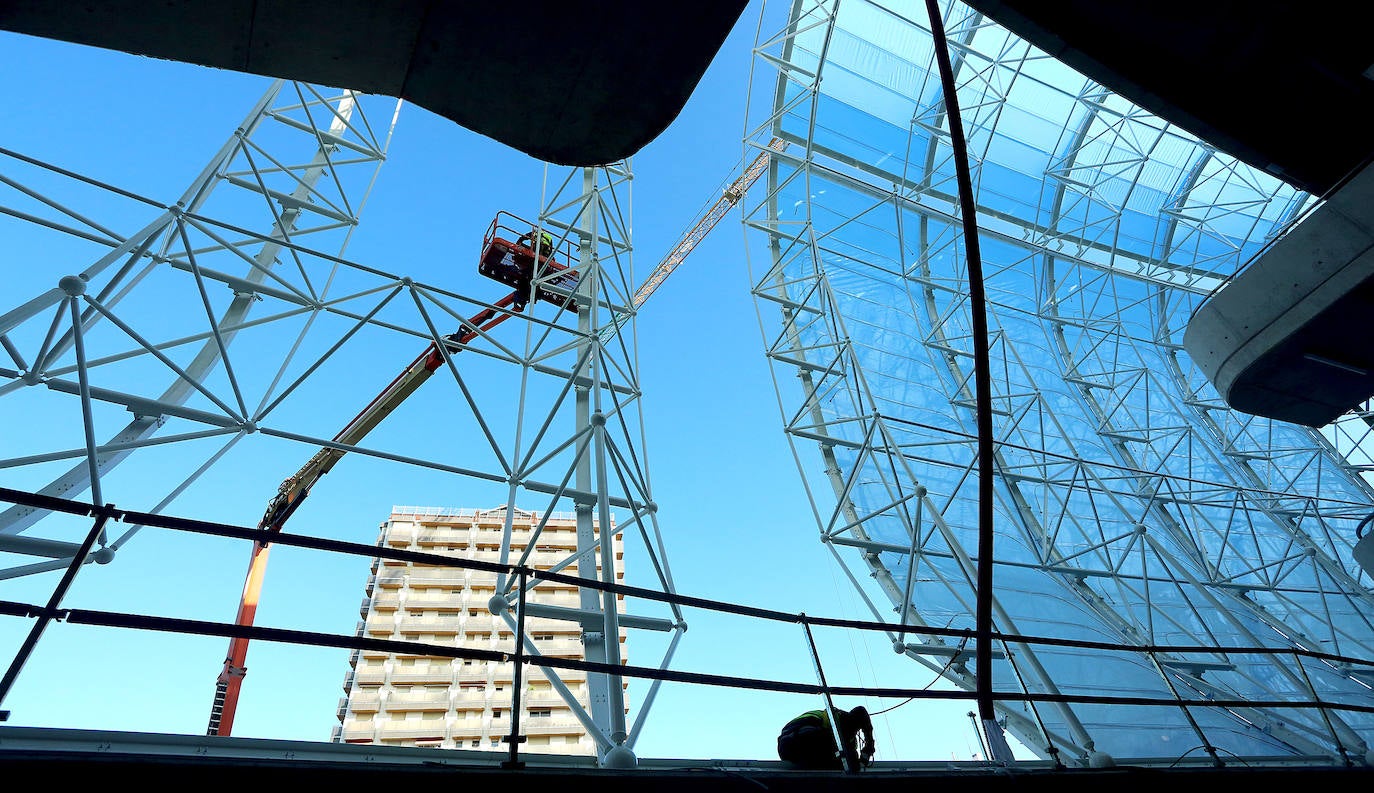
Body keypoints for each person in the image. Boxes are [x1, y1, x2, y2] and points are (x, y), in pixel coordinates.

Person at [777, 705, 875, 770]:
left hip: (801, 754)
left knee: (848, 761)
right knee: (848, 757)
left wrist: (861, 759)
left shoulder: (850, 743)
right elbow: (861, 711)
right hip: (793, 738)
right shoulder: (839, 717)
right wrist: (869, 743)